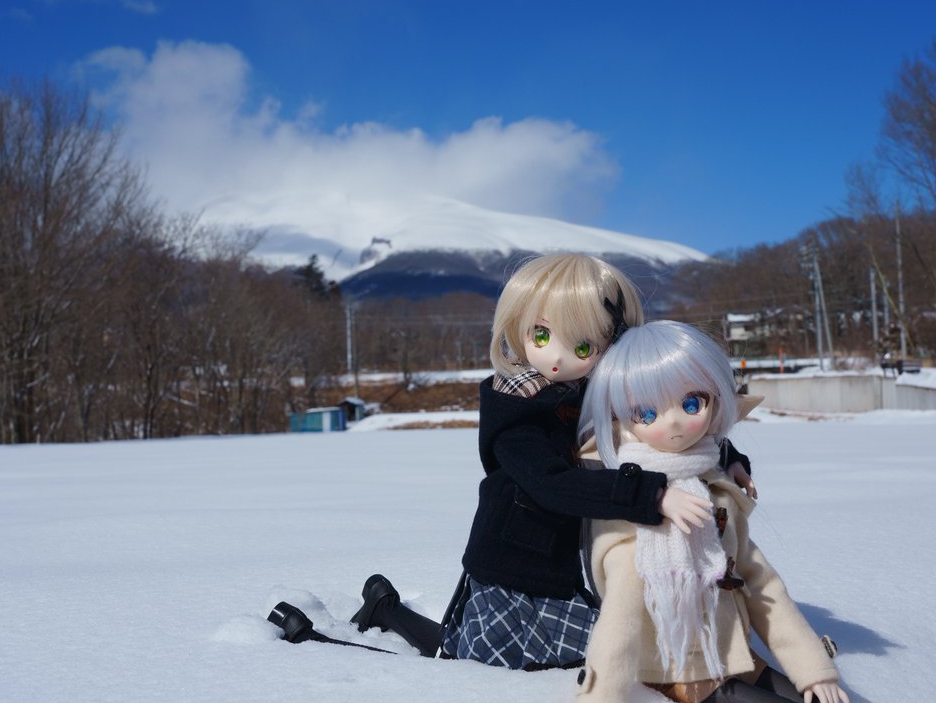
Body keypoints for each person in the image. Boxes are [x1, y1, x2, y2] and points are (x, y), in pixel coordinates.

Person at [269, 254, 754, 668]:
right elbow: (551, 483)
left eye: (582, 346)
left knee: (472, 651)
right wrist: (650, 495)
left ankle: (384, 607)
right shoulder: (516, 412)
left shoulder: (593, 394)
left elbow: (660, 430)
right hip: (516, 566)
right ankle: (342, 632)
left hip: (562, 562)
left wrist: (726, 457)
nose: (557, 358)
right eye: (541, 336)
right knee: (476, 664)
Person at [576, 320, 849, 703]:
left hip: (730, 653)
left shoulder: (714, 485)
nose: (674, 422)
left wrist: (813, 668)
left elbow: (760, 582)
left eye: (692, 404)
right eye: (647, 412)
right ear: (619, 416)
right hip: (675, 668)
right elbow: (621, 614)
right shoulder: (626, 500)